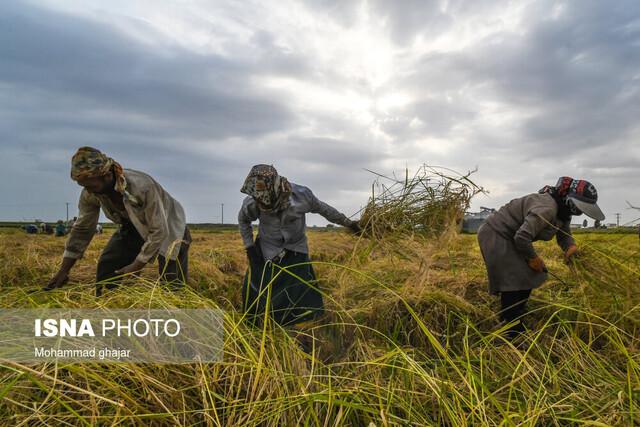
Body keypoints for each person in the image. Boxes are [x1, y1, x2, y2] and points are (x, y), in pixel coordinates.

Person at [45, 147, 191, 296]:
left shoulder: (142, 186)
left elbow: (159, 230)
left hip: (169, 224)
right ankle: (108, 303)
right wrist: (63, 271)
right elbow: (82, 229)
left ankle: (175, 312)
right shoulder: (90, 193)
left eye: (91, 185)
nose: (88, 190)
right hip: (132, 226)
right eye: (84, 186)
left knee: (172, 279)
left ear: (107, 175)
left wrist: (137, 265)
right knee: (109, 264)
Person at [477, 177, 605, 340]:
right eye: (580, 207)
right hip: (496, 234)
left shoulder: (562, 211)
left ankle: (517, 314)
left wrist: (570, 247)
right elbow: (522, 236)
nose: (579, 212)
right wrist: (533, 258)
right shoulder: (547, 208)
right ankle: (510, 331)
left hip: (512, 237)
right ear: (569, 199)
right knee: (513, 280)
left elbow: (564, 235)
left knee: (530, 275)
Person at [238, 164, 361, 332]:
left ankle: (298, 328)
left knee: (299, 292)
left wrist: (349, 223)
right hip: (266, 250)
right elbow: (243, 220)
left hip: (296, 249)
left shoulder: (301, 196)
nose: (260, 202)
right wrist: (250, 248)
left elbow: (324, 210)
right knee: (257, 289)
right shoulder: (252, 202)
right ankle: (255, 328)